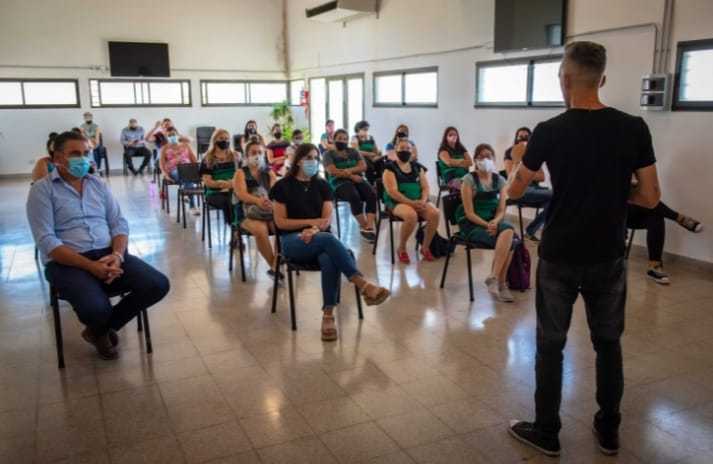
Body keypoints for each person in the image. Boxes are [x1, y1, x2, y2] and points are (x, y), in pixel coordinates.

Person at [505, 41, 662, 458]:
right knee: (608, 343)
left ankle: (547, 430)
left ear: (565, 79)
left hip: (559, 253)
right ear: (603, 79)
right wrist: (613, 190)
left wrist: (520, 163)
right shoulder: (633, 128)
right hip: (607, 254)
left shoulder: (550, 131)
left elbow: (515, 189)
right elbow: (649, 197)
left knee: (551, 345)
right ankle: (609, 431)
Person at [26, 131, 170, 360]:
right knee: (96, 309)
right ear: (57, 158)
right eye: (75, 153)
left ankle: (98, 331)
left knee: (157, 284)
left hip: (107, 254)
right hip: (67, 262)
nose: (82, 159)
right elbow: (47, 242)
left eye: (85, 153)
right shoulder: (42, 190)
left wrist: (117, 255)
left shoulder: (97, 185)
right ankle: (101, 326)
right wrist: (90, 267)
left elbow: (119, 224)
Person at [271, 143, 391, 341]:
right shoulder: (282, 186)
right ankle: (362, 284)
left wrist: (315, 229)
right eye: (309, 157)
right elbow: (280, 222)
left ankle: (328, 315)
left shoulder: (323, 185)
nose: (314, 161)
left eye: (316, 158)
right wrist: (310, 223)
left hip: (318, 238)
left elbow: (326, 220)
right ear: (299, 160)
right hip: (292, 241)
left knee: (329, 257)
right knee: (329, 242)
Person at [456, 143, 515, 302]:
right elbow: (469, 213)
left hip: (492, 221)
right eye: (481, 157)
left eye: (488, 156)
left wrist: (495, 222)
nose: (485, 159)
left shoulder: (500, 180)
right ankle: (501, 284)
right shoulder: (468, 180)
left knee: (510, 231)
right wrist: (487, 225)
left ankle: (494, 278)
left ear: (494, 159)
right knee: (512, 241)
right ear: (475, 160)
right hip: (473, 224)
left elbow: (502, 209)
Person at [382, 139, 439, 263]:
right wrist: (411, 203)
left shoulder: (418, 167)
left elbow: (425, 187)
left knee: (435, 213)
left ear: (412, 151)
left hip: (418, 200)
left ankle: (425, 247)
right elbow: (393, 192)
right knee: (411, 215)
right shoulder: (389, 168)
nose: (405, 151)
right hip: (397, 202)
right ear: (396, 150)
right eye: (402, 148)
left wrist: (423, 201)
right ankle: (401, 248)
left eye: (408, 148)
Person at [627, 199, 703, 284]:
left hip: (632, 211)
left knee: (655, 217)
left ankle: (654, 265)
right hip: (614, 214)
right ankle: (679, 217)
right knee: (638, 200)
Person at [233, 141, 279, 276]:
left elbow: (275, 192)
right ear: (246, 155)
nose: (257, 155)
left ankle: (276, 264)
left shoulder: (269, 172)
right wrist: (258, 201)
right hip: (246, 213)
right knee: (260, 229)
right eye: (253, 153)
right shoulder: (240, 173)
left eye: (260, 152)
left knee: (280, 226)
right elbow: (242, 195)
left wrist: (270, 202)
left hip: (268, 210)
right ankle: (274, 267)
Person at [323, 129, 378, 242]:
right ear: (334, 139)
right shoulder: (328, 154)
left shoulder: (353, 151)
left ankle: (369, 226)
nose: (342, 141)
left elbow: (363, 166)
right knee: (354, 195)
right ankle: (363, 226)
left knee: (372, 193)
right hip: (338, 183)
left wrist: (347, 171)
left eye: (345, 139)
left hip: (357, 179)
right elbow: (332, 171)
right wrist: (352, 175)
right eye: (339, 138)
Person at [504, 127, 552, 241]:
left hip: (535, 189)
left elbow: (542, 177)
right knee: (556, 195)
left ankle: (531, 231)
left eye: (526, 136)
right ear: (516, 138)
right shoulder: (510, 152)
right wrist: (521, 164)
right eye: (520, 136)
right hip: (518, 190)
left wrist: (524, 174)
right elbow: (511, 176)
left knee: (554, 200)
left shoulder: (534, 153)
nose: (523, 138)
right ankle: (532, 231)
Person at [159, 126, 200, 215]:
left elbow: (194, 160)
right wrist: (165, 175)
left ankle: (185, 192)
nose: (172, 136)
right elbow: (162, 164)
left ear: (178, 135)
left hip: (188, 168)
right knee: (185, 175)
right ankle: (192, 206)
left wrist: (197, 169)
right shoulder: (164, 148)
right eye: (169, 135)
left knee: (188, 174)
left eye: (174, 134)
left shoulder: (185, 145)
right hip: (174, 170)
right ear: (167, 137)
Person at [200, 129, 238, 225]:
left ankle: (241, 227)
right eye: (221, 138)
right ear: (214, 140)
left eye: (227, 138)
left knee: (242, 198)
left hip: (234, 188)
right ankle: (234, 229)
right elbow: (208, 182)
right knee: (229, 200)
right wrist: (223, 184)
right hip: (214, 192)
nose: (224, 141)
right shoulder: (207, 158)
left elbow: (240, 174)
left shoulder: (235, 156)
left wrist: (232, 184)